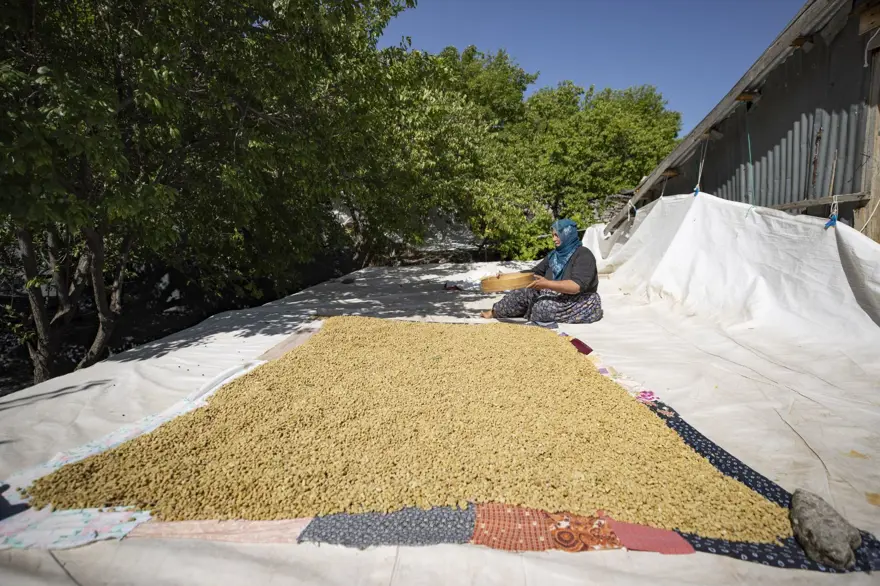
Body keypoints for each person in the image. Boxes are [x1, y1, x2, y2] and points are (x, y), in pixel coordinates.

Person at [480, 219, 603, 324]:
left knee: (542, 307)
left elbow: (576, 286)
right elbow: (534, 273)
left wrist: (547, 284)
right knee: (520, 293)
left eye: (557, 235)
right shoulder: (554, 255)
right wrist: (506, 277)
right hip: (553, 293)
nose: (554, 239)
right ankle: (494, 312)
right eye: (553, 235)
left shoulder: (583, 255)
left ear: (567, 234)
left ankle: (530, 312)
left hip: (577, 300)